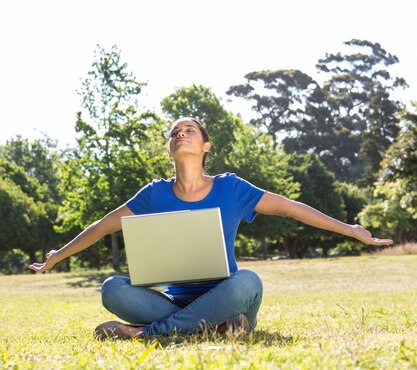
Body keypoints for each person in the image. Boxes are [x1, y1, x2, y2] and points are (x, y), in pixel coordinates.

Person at [29, 116, 393, 340]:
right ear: (170, 149)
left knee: (249, 281)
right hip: (175, 301)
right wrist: (58, 256)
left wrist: (349, 229)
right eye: (175, 133)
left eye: (190, 130)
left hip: (228, 298)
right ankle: (210, 331)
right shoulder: (153, 194)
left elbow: (291, 209)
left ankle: (146, 334)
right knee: (112, 289)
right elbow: (102, 226)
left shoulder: (231, 188)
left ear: (206, 146)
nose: (181, 134)